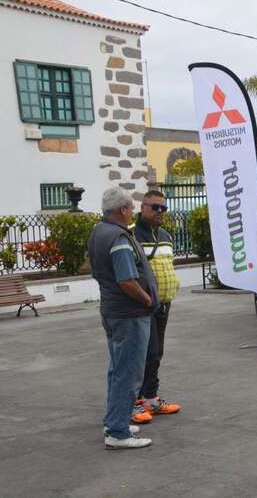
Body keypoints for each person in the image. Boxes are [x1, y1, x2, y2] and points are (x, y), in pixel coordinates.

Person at [88, 187, 158, 449]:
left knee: (118, 369)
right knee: (128, 372)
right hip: (129, 313)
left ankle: (115, 420)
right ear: (123, 210)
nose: (133, 212)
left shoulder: (99, 232)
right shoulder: (118, 237)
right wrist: (147, 298)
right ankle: (118, 433)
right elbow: (126, 279)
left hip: (114, 310)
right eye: (131, 208)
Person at [130, 191, 181, 425]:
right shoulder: (131, 235)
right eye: (155, 207)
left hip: (163, 303)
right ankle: (133, 401)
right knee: (140, 354)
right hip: (142, 304)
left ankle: (150, 397)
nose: (160, 212)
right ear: (143, 208)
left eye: (163, 208)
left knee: (156, 352)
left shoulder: (165, 235)